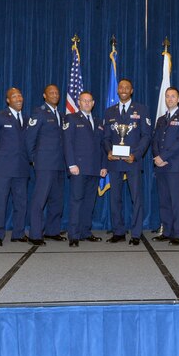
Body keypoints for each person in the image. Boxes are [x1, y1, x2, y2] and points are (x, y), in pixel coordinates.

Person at [102, 78, 152, 246]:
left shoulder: (142, 109)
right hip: (115, 161)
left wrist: (136, 155)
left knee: (136, 198)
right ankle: (118, 231)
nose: (123, 90)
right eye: (121, 87)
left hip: (133, 161)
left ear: (131, 91)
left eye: (127, 87)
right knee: (115, 198)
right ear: (117, 91)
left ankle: (136, 233)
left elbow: (146, 136)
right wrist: (109, 151)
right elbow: (106, 137)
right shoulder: (109, 112)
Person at [0, 87, 32, 247]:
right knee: (0, 202)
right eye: (14, 96)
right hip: (3, 169)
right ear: (8, 100)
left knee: (21, 203)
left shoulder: (27, 119)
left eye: (20, 95)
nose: (18, 98)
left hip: (22, 168)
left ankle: (18, 233)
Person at [63, 91, 107, 246]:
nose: (87, 103)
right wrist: (71, 164)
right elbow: (67, 143)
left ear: (93, 103)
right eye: (84, 101)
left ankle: (85, 232)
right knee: (76, 201)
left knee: (89, 202)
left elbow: (102, 146)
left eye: (89, 101)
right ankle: (74, 235)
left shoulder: (98, 121)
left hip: (95, 169)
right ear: (79, 103)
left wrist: (103, 165)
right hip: (78, 168)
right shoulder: (71, 118)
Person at [25, 84, 66, 245]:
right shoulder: (39, 113)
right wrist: (34, 159)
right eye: (51, 92)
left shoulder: (61, 115)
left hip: (58, 164)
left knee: (57, 199)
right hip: (44, 164)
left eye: (57, 92)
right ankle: (35, 234)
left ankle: (52, 231)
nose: (55, 95)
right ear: (44, 95)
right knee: (39, 200)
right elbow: (29, 139)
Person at [152, 87, 179, 245]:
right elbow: (155, 141)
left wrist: (163, 156)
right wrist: (156, 157)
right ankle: (167, 231)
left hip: (174, 166)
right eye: (167, 96)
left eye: (173, 96)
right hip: (160, 166)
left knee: (177, 201)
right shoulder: (161, 119)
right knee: (164, 201)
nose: (169, 99)